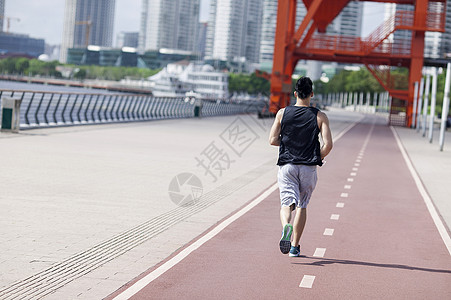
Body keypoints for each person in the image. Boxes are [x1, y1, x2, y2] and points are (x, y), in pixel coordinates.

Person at [269, 76, 333, 257]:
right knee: (302, 205)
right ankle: (295, 247)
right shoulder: (320, 116)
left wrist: (290, 143)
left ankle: (286, 226)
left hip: (287, 165)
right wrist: (314, 155)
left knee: (286, 203)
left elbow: (272, 140)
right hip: (308, 167)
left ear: (295, 94)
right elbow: (328, 145)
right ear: (311, 94)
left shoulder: (282, 113)